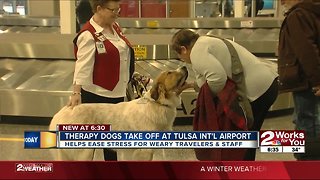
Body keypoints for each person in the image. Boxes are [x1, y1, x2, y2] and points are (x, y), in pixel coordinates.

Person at [171, 29, 278, 160]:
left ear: (183, 49)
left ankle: (241, 172)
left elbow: (217, 79)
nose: (182, 59)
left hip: (258, 91)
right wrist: (189, 86)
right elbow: (206, 80)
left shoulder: (197, 52)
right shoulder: (205, 42)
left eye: (179, 55)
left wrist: (208, 100)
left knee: (242, 139)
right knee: (248, 138)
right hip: (267, 85)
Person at [69, 0, 135, 161]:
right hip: (96, 95)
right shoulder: (88, 34)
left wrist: (132, 75)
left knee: (111, 142)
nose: (116, 13)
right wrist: (76, 92)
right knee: (89, 143)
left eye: (118, 10)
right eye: (113, 10)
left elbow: (123, 56)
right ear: (98, 9)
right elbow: (82, 65)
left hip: (117, 93)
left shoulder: (115, 27)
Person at [278, 0, 320, 160]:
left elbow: (306, 50)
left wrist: (317, 80)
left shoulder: (299, 15)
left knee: (309, 125)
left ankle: (309, 168)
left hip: (306, 81)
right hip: (310, 80)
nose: (281, 2)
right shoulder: (313, 12)